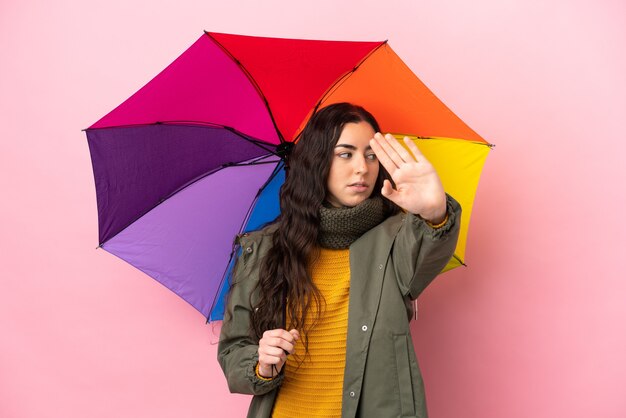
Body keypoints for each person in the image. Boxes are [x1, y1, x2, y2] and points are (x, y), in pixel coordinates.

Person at [218, 103, 461, 418]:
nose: (362, 167)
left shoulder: (399, 240)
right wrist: (262, 363)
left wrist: (432, 212)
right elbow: (234, 352)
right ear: (317, 161)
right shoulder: (264, 249)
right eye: (345, 154)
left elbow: (429, 247)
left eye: (371, 155)